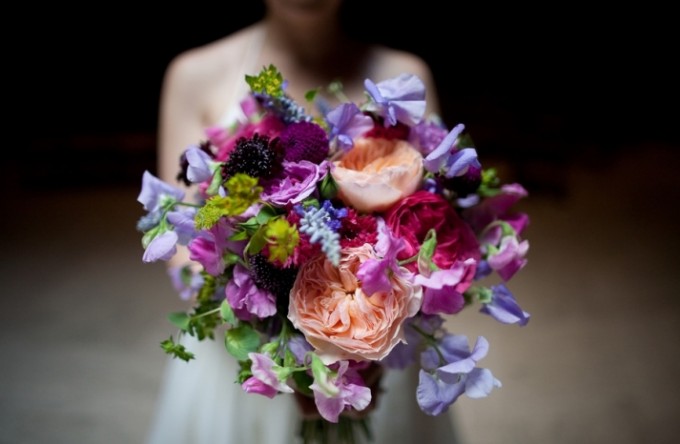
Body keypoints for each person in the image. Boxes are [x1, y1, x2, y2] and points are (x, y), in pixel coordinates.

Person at [146, 1, 457, 443]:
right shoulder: (194, 74)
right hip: (255, 355)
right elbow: (180, 244)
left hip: (376, 343)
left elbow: (434, 216)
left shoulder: (407, 75)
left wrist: (357, 348)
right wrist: (286, 341)